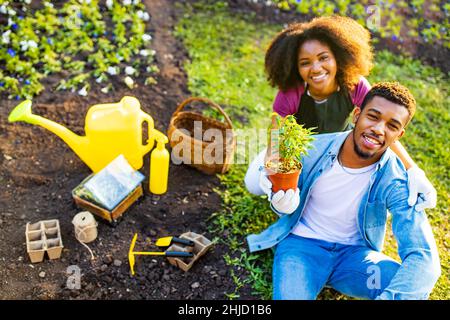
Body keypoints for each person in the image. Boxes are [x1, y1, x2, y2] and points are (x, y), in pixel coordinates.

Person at [246, 82, 441, 300]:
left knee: (404, 283)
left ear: (399, 135)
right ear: (357, 114)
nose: (378, 129)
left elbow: (423, 256)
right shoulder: (313, 149)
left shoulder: (398, 181)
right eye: (373, 117)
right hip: (301, 249)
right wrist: (278, 199)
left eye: (392, 126)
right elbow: (281, 190)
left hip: (355, 261)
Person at [245, 16, 436, 211]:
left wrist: (413, 170)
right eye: (305, 62)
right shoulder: (291, 93)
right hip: (299, 153)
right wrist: (273, 168)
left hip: (339, 152)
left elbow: (381, 126)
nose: (316, 68)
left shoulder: (354, 85)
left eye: (323, 58)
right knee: (253, 184)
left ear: (338, 56)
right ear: (296, 67)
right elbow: (277, 135)